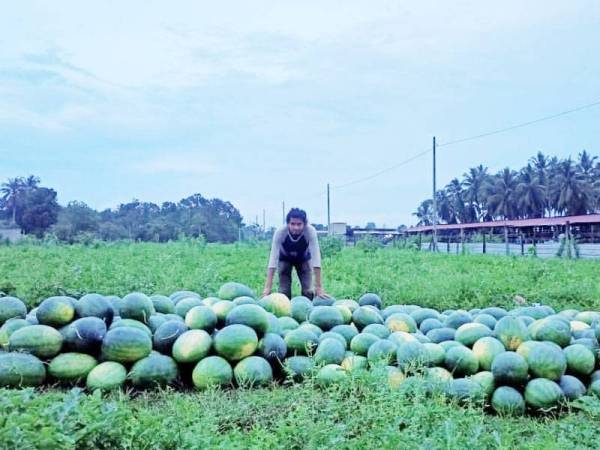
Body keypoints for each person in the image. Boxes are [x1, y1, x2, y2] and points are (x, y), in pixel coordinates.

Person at [262, 208, 330, 300]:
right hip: (284, 259)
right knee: (283, 291)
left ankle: (308, 309)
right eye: (292, 224)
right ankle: (286, 310)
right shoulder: (280, 232)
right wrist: (267, 288)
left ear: (305, 224)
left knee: (308, 290)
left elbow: (316, 258)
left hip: (303, 259)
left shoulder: (310, 231)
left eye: (299, 224)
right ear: (288, 224)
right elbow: (273, 259)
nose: (296, 227)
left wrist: (318, 287)